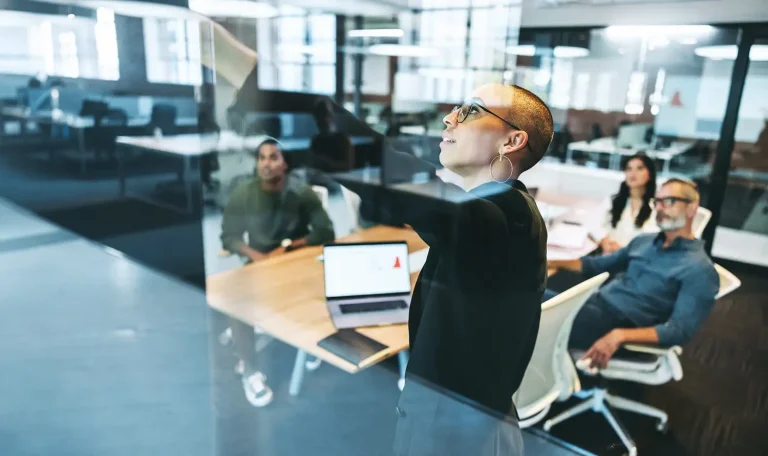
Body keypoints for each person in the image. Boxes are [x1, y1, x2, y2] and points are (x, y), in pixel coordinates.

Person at [388, 84, 552, 456]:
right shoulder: (504, 209)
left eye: (471, 111)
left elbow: (401, 185)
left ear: (511, 140)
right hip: (457, 424)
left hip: (453, 435)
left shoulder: (508, 218)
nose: (449, 118)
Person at [549, 178, 719, 369]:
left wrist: (620, 335)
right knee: (526, 293)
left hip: (619, 324)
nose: (660, 208)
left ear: (692, 208)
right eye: (658, 202)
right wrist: (547, 262)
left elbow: (678, 331)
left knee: (527, 313)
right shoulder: (644, 242)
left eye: (669, 201)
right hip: (594, 304)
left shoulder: (699, 269)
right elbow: (595, 265)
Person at [220, 139, 335, 407]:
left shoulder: (302, 193)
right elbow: (230, 236)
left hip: (295, 265)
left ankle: (307, 342)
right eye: (261, 158)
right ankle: (250, 370)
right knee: (235, 299)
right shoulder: (244, 193)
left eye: (273, 158)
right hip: (258, 264)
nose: (266, 164)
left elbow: (325, 231)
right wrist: (257, 257)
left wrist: (289, 246)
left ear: (285, 163)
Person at [589, 154, 659, 254]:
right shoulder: (613, 200)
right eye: (629, 169)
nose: (633, 173)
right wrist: (605, 241)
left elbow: (655, 240)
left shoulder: (657, 206)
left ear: (650, 174)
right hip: (610, 258)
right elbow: (593, 224)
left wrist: (624, 250)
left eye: (639, 168)